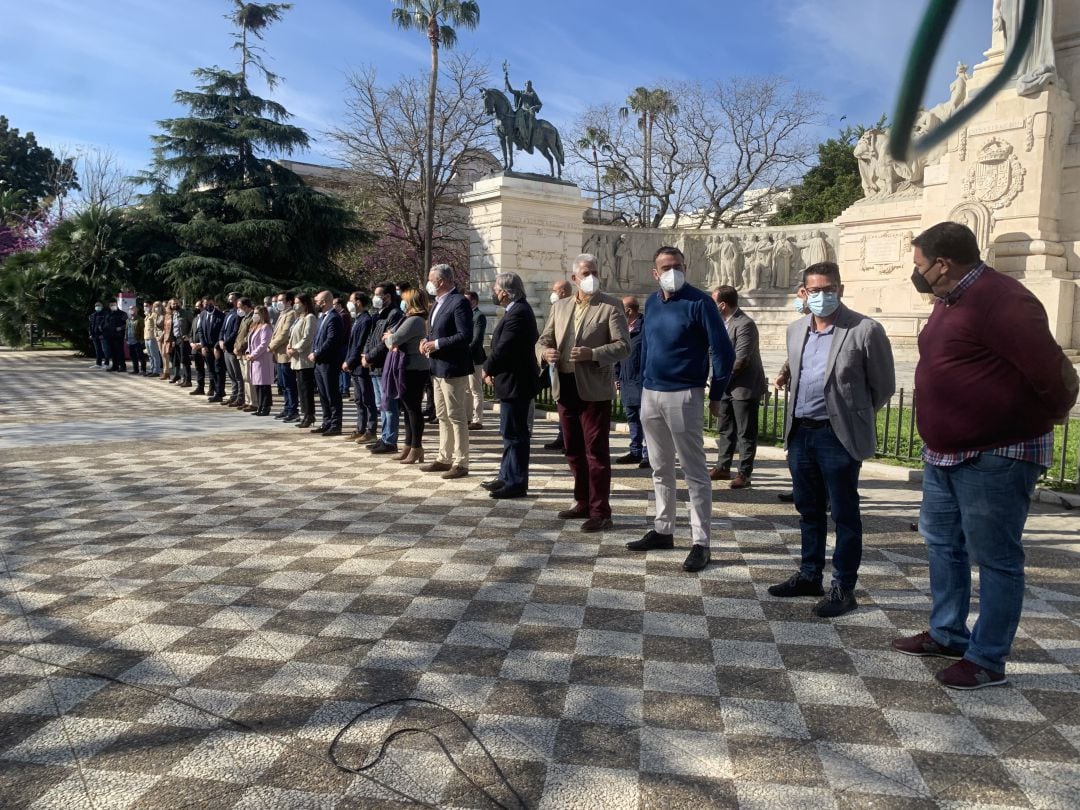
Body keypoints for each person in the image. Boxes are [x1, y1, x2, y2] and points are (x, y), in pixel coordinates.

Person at [891, 222, 1078, 689]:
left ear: (943, 264)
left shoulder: (1004, 300)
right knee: (942, 544)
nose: (916, 273)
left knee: (995, 558)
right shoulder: (948, 301)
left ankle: (988, 658)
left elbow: (1054, 372)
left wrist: (1034, 420)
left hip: (996, 456)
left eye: (919, 265)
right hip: (945, 454)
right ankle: (948, 632)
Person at [770, 261, 895, 617]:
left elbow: (883, 386)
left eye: (828, 289)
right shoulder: (797, 330)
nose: (822, 296)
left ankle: (844, 586)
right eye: (815, 290)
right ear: (804, 293)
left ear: (839, 289)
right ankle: (810, 574)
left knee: (843, 513)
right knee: (808, 510)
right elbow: (798, 371)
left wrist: (852, 416)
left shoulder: (864, 329)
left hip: (837, 436)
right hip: (800, 432)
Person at [625, 246, 735, 572]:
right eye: (666, 267)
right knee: (659, 468)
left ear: (684, 267)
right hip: (651, 392)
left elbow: (723, 352)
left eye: (678, 266)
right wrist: (641, 381)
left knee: (695, 472)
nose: (673, 271)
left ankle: (701, 542)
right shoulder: (652, 302)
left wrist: (716, 394)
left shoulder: (700, 302)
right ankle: (663, 529)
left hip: (684, 393)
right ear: (655, 272)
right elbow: (647, 346)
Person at [537, 253, 629, 532]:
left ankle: (601, 511)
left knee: (596, 452)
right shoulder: (561, 306)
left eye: (594, 272)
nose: (590, 278)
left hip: (593, 389)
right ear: (574, 277)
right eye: (585, 273)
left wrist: (593, 353)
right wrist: (544, 353)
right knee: (573, 450)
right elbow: (543, 339)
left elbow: (624, 345)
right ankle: (582, 502)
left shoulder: (610, 306)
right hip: (564, 385)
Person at [482, 272, 540, 499]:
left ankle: (516, 482)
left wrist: (487, 368)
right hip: (511, 382)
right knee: (508, 432)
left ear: (506, 292)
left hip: (517, 382)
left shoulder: (519, 312)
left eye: (496, 289)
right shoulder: (514, 310)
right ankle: (506, 476)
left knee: (515, 434)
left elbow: (505, 347)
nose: (495, 293)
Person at [419, 264, 474, 479]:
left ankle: (461, 462)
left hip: (453, 368)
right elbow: (433, 332)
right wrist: (426, 341)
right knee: (442, 414)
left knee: (456, 415)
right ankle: (444, 457)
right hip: (437, 367)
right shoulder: (437, 303)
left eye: (431, 279)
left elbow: (465, 335)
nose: (429, 283)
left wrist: (437, 344)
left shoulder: (459, 302)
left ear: (441, 281)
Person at [711, 286, 767, 488]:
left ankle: (744, 473)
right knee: (725, 429)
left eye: (714, 301)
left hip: (743, 386)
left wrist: (720, 380)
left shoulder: (745, 324)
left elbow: (741, 359)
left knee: (745, 432)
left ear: (723, 304)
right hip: (725, 386)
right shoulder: (720, 324)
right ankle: (723, 466)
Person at [385, 288, 431, 464]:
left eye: (405, 300)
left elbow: (394, 340)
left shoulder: (415, 320)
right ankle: (408, 445)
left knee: (413, 409)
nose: (402, 303)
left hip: (414, 369)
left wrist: (389, 336)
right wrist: (391, 337)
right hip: (408, 368)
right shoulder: (410, 319)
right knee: (407, 408)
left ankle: (417, 447)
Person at [363, 284, 404, 453]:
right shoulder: (376, 314)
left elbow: (384, 343)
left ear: (388, 296)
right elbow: (371, 337)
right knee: (381, 405)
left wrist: (370, 357)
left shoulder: (394, 314)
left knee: (389, 405)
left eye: (378, 295)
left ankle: (390, 440)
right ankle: (384, 436)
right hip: (373, 366)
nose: (375, 298)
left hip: (384, 365)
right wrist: (364, 355)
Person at [614, 295, 648, 468]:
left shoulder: (645, 327)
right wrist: (616, 376)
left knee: (646, 420)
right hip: (626, 381)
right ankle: (635, 451)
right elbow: (617, 355)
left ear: (628, 310)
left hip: (642, 382)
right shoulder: (622, 329)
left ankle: (648, 455)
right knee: (632, 418)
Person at [309, 290, 346, 436]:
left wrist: (317, 353)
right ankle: (327, 422)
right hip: (319, 362)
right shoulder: (321, 318)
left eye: (317, 301)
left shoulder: (334, 318)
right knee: (323, 394)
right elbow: (317, 338)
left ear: (324, 302)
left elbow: (331, 340)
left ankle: (336, 424)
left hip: (329, 362)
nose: (316, 304)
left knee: (332, 394)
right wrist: (314, 351)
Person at [542, 280, 573, 451]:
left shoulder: (572, 308)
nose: (552, 292)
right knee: (560, 402)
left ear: (562, 291)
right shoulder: (556, 307)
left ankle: (568, 439)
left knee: (568, 406)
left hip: (570, 366)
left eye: (554, 289)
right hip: (555, 363)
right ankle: (562, 437)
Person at [343, 292, 377, 441]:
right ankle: (360, 428)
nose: (349, 303)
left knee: (367, 398)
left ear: (358, 302)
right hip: (355, 366)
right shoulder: (357, 319)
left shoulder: (365, 320)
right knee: (359, 399)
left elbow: (359, 344)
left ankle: (370, 430)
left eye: (351, 300)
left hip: (361, 366)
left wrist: (349, 361)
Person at [288, 293, 318, 428]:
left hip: (304, 359)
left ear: (305, 304)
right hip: (296, 359)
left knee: (306, 390)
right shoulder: (299, 318)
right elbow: (293, 335)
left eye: (297, 302)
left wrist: (295, 348)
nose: (295, 305)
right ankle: (305, 413)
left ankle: (309, 415)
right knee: (301, 389)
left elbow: (307, 338)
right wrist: (289, 346)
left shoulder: (310, 317)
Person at [269, 291, 299, 422]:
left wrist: (271, 346)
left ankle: (293, 410)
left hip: (285, 355)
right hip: (279, 355)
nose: (278, 303)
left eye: (281, 300)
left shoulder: (291, 314)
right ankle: (287, 408)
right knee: (283, 384)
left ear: (289, 302)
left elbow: (284, 334)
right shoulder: (283, 314)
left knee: (289, 384)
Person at [246, 304, 275, 416]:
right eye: (254, 313)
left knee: (264, 385)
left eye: (257, 313)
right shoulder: (255, 326)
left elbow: (264, 344)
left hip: (262, 359)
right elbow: (251, 342)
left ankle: (266, 407)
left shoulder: (266, 327)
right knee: (257, 384)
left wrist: (253, 354)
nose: (254, 315)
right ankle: (260, 406)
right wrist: (248, 352)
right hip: (254, 360)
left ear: (262, 314)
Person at [465, 290, 487, 430]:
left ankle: (477, 419)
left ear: (474, 301)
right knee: (466, 389)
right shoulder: (465, 314)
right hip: (464, 358)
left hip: (474, 358)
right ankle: (467, 418)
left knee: (475, 389)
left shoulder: (479, 316)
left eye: (467, 301)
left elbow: (476, 340)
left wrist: (464, 351)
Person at [199, 296, 226, 402]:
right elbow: (200, 330)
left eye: (209, 303)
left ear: (213, 303)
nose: (207, 305)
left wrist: (217, 346)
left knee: (219, 370)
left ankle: (220, 392)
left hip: (216, 348)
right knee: (211, 370)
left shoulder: (221, 315)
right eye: (205, 304)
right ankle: (216, 390)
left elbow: (222, 332)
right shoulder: (203, 314)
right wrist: (203, 345)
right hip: (206, 347)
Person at [220, 292, 243, 406]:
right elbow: (223, 329)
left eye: (232, 299)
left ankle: (240, 397)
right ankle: (233, 396)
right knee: (231, 375)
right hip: (225, 348)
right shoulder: (229, 313)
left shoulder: (239, 314)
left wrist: (226, 341)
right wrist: (220, 340)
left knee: (238, 375)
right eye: (229, 299)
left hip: (232, 347)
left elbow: (235, 331)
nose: (229, 301)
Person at [231, 298, 254, 410]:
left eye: (239, 306)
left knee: (249, 378)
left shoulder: (253, 317)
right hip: (240, 351)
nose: (238, 309)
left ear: (246, 306)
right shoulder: (244, 318)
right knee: (245, 378)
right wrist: (235, 346)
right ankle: (247, 400)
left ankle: (253, 402)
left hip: (246, 351)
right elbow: (239, 334)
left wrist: (239, 347)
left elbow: (248, 336)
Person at [103, 299, 127, 372]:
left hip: (118, 336)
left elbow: (127, 324)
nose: (112, 306)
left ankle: (122, 366)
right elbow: (106, 324)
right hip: (110, 336)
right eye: (111, 305)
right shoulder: (108, 314)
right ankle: (115, 366)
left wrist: (120, 328)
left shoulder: (122, 314)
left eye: (113, 305)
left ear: (116, 305)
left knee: (119, 352)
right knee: (113, 352)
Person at [126, 304, 146, 375]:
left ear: (136, 310)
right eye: (130, 309)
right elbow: (127, 329)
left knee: (140, 356)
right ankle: (135, 369)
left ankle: (143, 370)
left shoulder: (140, 319)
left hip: (137, 340)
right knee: (133, 356)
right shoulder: (128, 320)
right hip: (130, 341)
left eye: (133, 309)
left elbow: (143, 330)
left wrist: (141, 340)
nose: (131, 310)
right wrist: (126, 338)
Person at [145, 302, 163, 378]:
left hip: (153, 337)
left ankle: (156, 371)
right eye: (144, 306)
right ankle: (152, 369)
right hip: (146, 337)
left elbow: (156, 326)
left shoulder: (154, 315)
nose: (145, 307)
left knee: (155, 355)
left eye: (147, 306)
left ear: (151, 306)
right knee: (150, 355)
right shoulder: (147, 315)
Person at [89, 303, 108, 368]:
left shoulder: (105, 314)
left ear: (102, 307)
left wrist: (103, 334)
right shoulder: (93, 315)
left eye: (99, 306)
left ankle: (106, 363)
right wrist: (91, 334)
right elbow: (91, 326)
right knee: (98, 350)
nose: (97, 307)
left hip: (103, 336)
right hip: (95, 335)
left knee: (105, 349)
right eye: (96, 306)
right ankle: (98, 363)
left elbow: (106, 326)